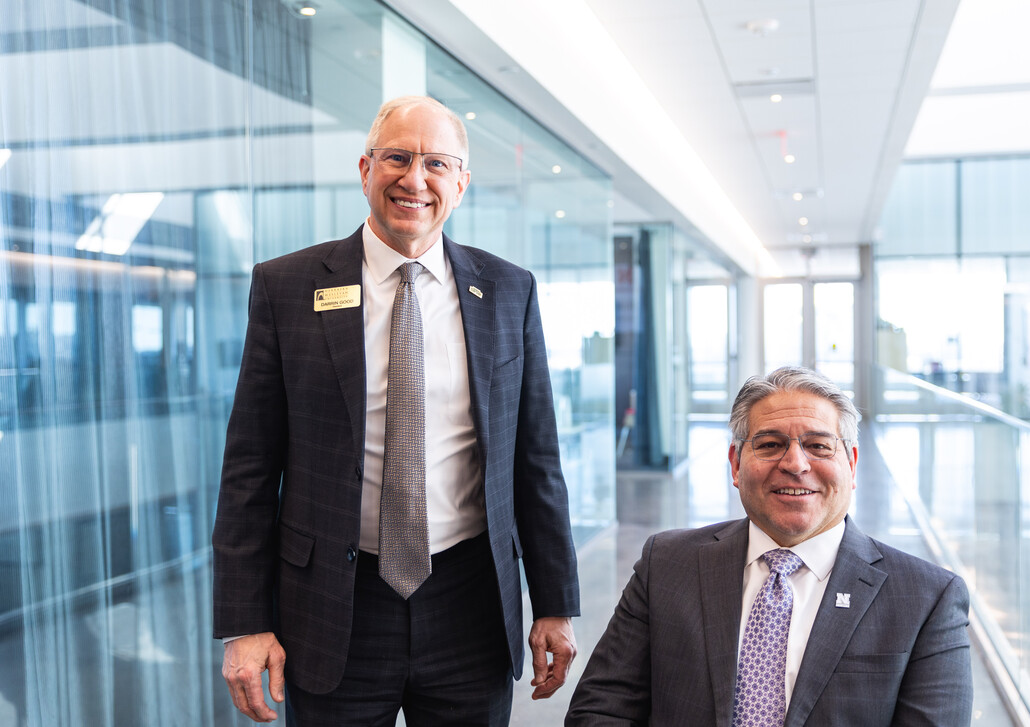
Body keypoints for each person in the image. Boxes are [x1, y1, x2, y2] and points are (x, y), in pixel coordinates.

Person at [213, 95, 580, 726]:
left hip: (471, 601)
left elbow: (535, 460)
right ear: (365, 170)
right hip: (334, 602)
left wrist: (554, 602)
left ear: (460, 183)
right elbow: (249, 467)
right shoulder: (288, 286)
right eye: (398, 158)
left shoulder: (507, 290)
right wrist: (245, 622)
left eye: (437, 163)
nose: (415, 179)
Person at [566, 366, 972, 726]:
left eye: (818, 446)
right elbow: (601, 709)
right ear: (736, 465)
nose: (795, 463)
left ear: (851, 465)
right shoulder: (667, 565)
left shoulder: (927, 599)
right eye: (770, 444)